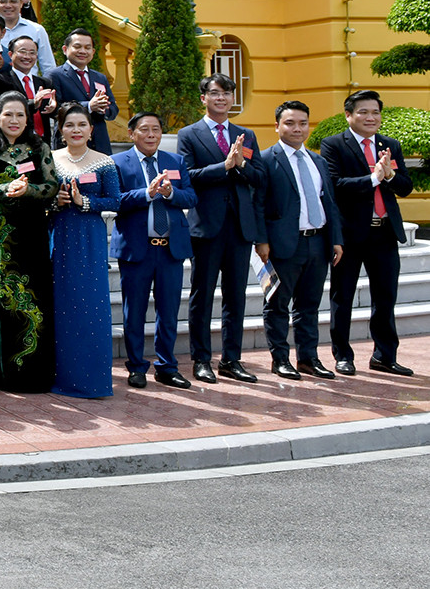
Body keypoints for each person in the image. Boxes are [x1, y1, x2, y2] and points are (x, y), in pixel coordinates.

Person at [176, 73, 266, 383]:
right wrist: (224, 166)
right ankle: (201, 359)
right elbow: (188, 175)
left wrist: (241, 165)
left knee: (236, 295)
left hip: (240, 227)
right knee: (203, 294)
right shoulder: (189, 134)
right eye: (215, 93)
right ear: (203, 98)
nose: (221, 99)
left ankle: (232, 359)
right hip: (206, 226)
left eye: (227, 93)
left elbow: (258, 177)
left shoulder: (246, 134)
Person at [322, 88, 416, 375]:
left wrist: (389, 176)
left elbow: (406, 187)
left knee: (386, 297)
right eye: (363, 111)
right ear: (348, 115)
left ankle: (384, 356)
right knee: (343, 296)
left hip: (385, 232)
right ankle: (343, 355)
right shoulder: (333, 144)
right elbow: (335, 185)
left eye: (375, 112)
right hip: (350, 235)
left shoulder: (390, 145)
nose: (370, 117)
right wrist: (372, 178)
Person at [253, 100, 344, 381]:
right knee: (278, 304)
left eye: (303, 123)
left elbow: (329, 202)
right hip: (281, 245)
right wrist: (261, 241)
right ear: (277, 126)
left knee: (309, 304)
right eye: (290, 123)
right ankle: (280, 359)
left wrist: (336, 239)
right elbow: (257, 204)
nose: (297, 128)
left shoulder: (318, 160)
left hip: (317, 242)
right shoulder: (267, 159)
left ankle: (308, 358)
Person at [0, 91, 59, 393]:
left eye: (20, 115)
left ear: (29, 119)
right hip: (1, 237)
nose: (14, 120)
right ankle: (4, 375)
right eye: (8, 114)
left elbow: (52, 186)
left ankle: (37, 374)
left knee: (37, 300)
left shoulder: (39, 149)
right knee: (5, 303)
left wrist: (28, 191)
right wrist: (3, 189)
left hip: (34, 232)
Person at [115, 111, 199, 390]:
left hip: (170, 249)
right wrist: (146, 194)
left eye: (156, 130)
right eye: (145, 130)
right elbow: (115, 200)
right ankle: (137, 366)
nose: (151, 135)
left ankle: (166, 366)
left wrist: (169, 193)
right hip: (137, 249)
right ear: (132, 134)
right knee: (134, 312)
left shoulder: (175, 161)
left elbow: (191, 196)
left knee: (168, 311)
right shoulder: (118, 162)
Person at [47, 104, 124, 399]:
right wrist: (59, 201)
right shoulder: (51, 160)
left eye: (82, 124)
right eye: (70, 125)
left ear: (92, 130)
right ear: (61, 130)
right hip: (59, 235)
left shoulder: (104, 162)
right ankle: (60, 375)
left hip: (89, 239)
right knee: (60, 303)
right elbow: (42, 196)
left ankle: (92, 379)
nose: (76, 130)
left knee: (90, 306)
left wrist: (85, 203)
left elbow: (115, 202)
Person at [47, 30, 118, 154]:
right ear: (65, 49)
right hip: (69, 143)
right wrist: (89, 106)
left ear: (93, 52)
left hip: (100, 142)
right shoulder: (54, 75)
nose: (83, 51)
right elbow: (54, 110)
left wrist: (104, 108)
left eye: (88, 48)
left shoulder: (100, 78)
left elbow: (113, 109)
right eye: (77, 47)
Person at [0, 0, 56, 70]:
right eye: (3, 1)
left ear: (21, 3)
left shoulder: (36, 30)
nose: (8, 5)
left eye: (13, 1)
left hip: (29, 82)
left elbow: (48, 66)